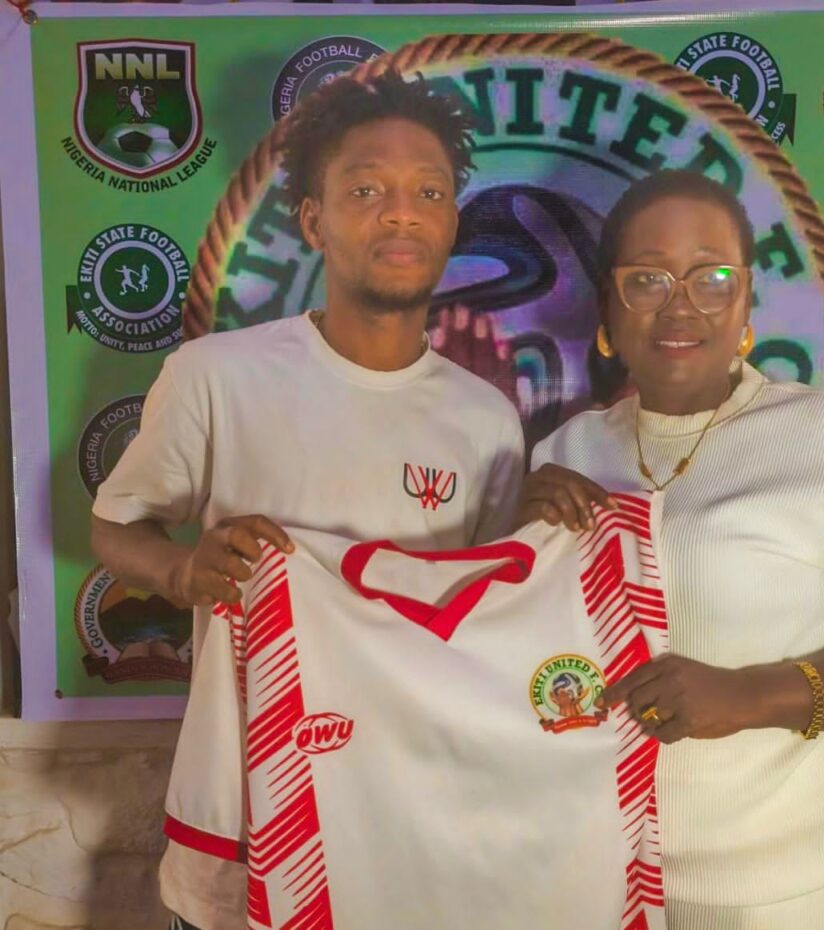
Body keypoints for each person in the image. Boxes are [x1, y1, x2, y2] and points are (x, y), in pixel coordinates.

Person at [90, 70, 525, 930]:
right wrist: (181, 570)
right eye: (366, 190)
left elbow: (490, 633)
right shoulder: (217, 376)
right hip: (240, 834)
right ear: (314, 220)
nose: (400, 213)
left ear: (451, 223)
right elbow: (115, 524)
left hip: (408, 836)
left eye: (428, 192)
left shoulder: (486, 420)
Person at [518, 169, 824, 929]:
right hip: (593, 878)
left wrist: (750, 696)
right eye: (647, 279)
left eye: (713, 277)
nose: (681, 304)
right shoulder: (564, 452)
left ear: (746, 304)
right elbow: (528, 662)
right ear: (607, 309)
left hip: (777, 896)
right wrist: (514, 540)